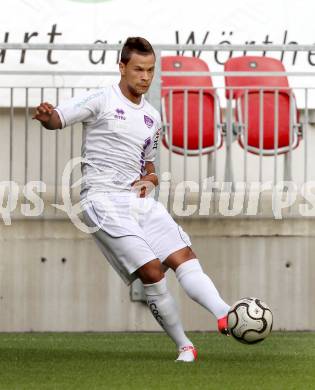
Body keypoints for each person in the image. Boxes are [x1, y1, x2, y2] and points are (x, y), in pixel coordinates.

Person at [33, 37, 230, 362]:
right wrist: (47, 116)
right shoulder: (101, 99)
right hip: (101, 201)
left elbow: (147, 164)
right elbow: (58, 118)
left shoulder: (152, 116)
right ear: (122, 67)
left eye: (150, 70)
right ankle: (185, 345)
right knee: (153, 270)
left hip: (137, 200)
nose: (145, 77)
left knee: (184, 255)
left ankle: (225, 314)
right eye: (138, 69)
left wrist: (150, 178)